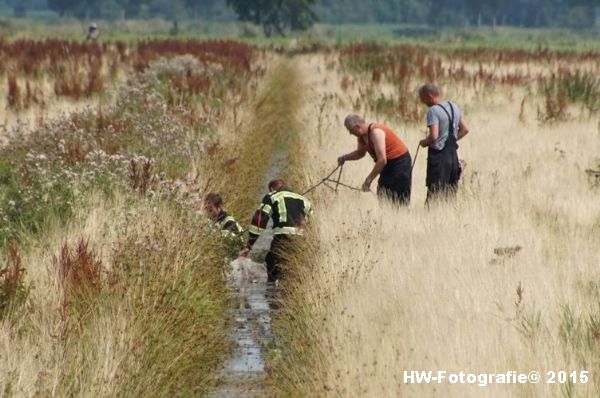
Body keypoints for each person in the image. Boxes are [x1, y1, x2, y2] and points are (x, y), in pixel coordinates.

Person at [240, 179, 312, 283]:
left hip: (282, 240)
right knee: (293, 272)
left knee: (273, 267)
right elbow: (312, 225)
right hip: (300, 242)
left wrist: (249, 246)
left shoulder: (272, 197)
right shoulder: (305, 200)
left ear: (272, 189)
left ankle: (272, 295)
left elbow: (259, 221)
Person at [337, 114, 412, 205]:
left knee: (399, 197)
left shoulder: (376, 132)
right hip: (386, 165)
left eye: (351, 130)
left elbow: (382, 160)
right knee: (383, 195)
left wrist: (368, 180)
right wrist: (344, 158)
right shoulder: (361, 138)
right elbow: (360, 153)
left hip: (400, 163)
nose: (350, 133)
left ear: (357, 127)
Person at [418, 84, 470, 203]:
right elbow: (465, 129)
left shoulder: (433, 111)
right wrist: (451, 139)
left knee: (434, 192)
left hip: (439, 158)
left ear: (429, 96)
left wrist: (424, 142)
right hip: (453, 156)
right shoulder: (454, 106)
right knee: (451, 193)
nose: (423, 103)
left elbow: (434, 136)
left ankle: (431, 217)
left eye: (423, 99)